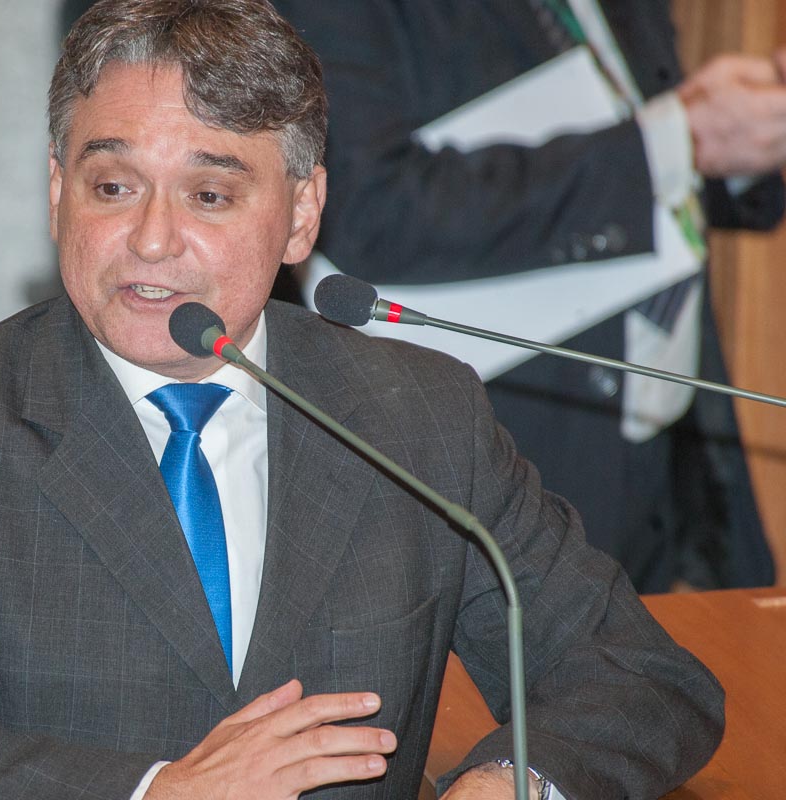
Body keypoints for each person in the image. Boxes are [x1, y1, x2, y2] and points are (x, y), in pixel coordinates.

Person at [0, 2, 722, 798]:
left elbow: (639, 676)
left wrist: (509, 783)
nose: (152, 239)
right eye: (113, 185)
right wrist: (157, 792)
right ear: (58, 192)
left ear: (301, 215)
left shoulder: (417, 416)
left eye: (210, 194)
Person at [273, 0, 786, 593]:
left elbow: (642, 135)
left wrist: (741, 141)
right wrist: (669, 143)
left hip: (665, 430)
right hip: (514, 441)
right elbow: (364, 206)